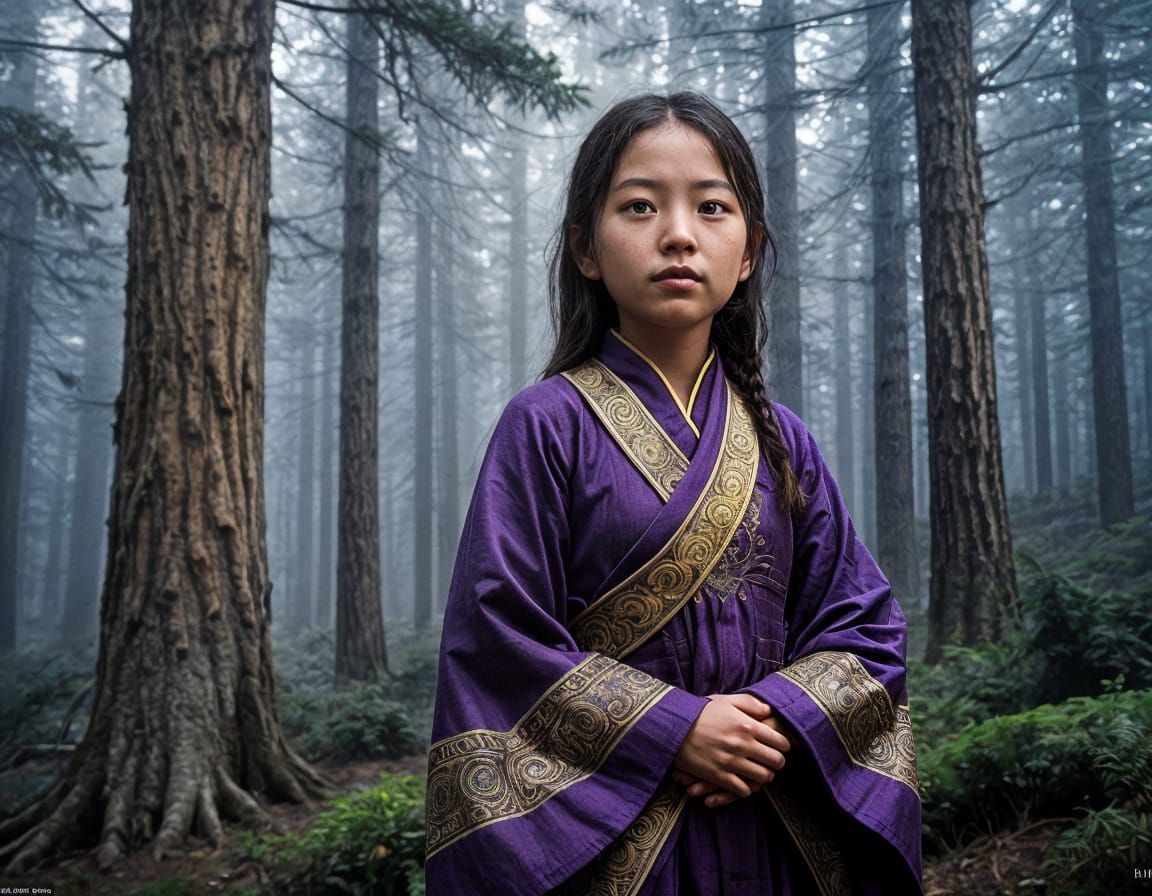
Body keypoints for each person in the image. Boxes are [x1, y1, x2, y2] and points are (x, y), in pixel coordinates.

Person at [424, 91, 921, 895]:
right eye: (641, 206)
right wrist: (675, 727)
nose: (680, 234)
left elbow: (862, 627)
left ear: (750, 250)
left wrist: (766, 721)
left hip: (776, 831)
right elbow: (496, 637)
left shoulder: (783, 440)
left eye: (713, 208)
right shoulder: (545, 425)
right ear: (586, 248)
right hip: (611, 844)